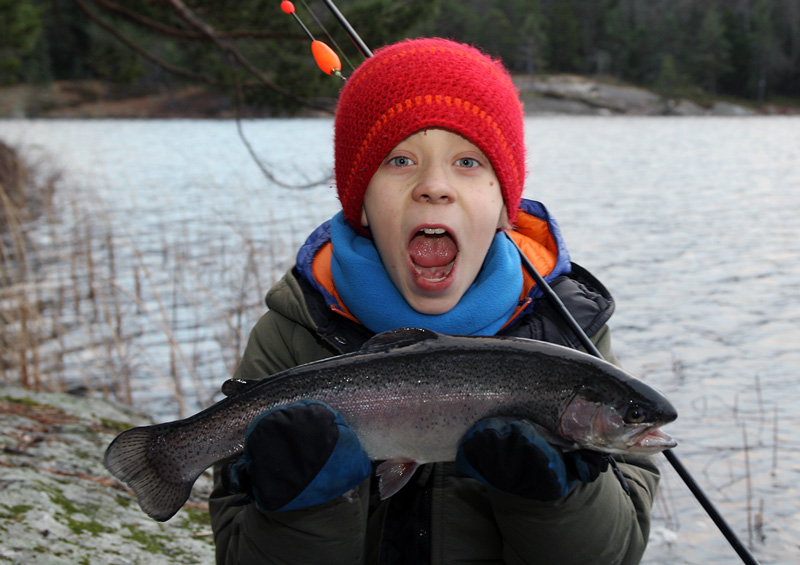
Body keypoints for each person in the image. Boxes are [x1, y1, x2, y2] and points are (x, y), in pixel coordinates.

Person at [209, 37, 660, 565]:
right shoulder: (294, 330)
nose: (435, 187)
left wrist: (553, 500)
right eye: (401, 159)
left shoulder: (570, 331)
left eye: (468, 162)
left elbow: (615, 555)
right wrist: (305, 505)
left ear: (502, 207)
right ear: (363, 204)